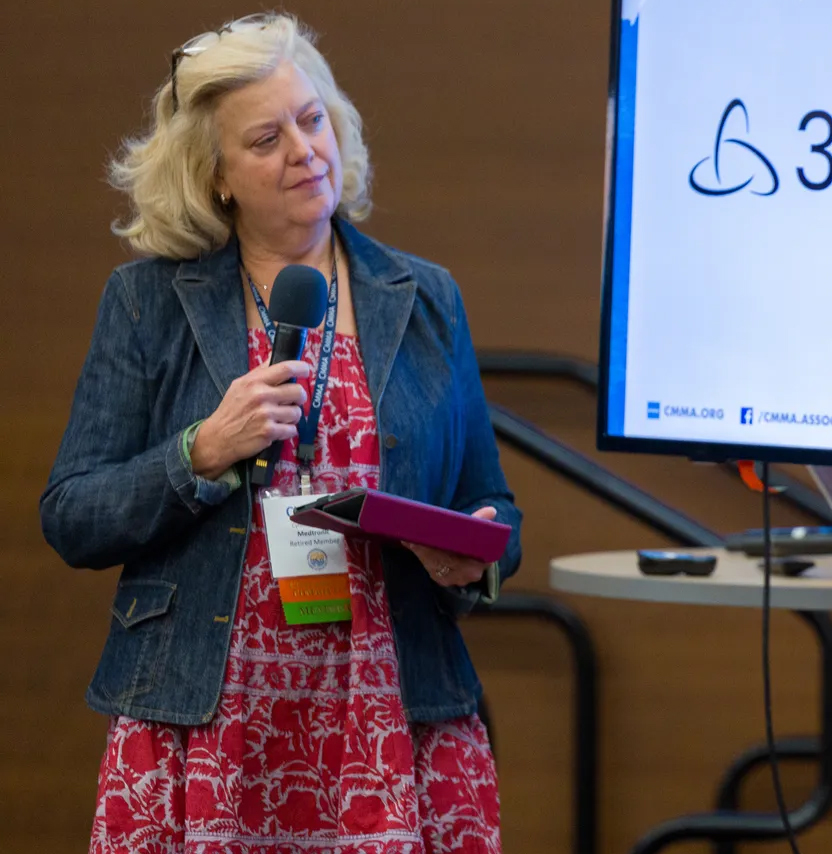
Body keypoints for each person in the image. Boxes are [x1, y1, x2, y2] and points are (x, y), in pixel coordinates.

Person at [39, 14, 521, 853]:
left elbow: (490, 501)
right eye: (266, 138)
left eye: (312, 119)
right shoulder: (149, 302)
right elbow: (73, 514)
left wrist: (477, 553)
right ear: (216, 177)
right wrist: (201, 451)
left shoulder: (426, 296)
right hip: (206, 717)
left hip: (388, 714)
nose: (304, 150)